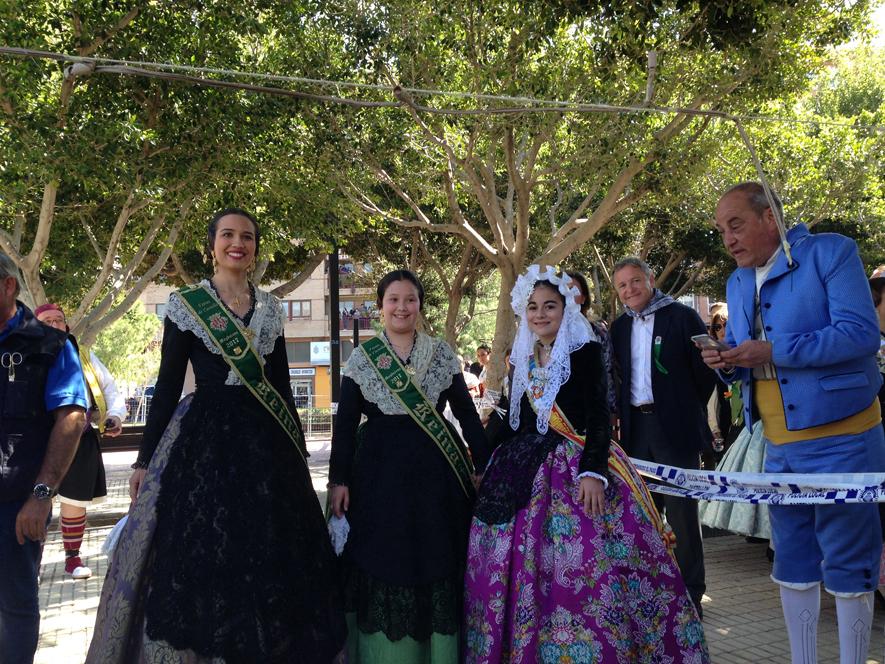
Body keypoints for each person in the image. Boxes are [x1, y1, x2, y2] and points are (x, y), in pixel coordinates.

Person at [86, 209, 345, 663]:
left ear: (255, 248)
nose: (237, 243)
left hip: (266, 444)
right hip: (203, 441)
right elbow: (167, 386)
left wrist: (297, 455)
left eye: (247, 236)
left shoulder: (270, 309)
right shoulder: (187, 305)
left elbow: (281, 386)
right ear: (212, 246)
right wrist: (144, 460)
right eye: (227, 235)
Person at [464, 265, 708, 663]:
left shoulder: (586, 351)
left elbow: (598, 416)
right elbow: (515, 419)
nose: (540, 314)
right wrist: (482, 460)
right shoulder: (522, 359)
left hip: (575, 464)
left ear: (566, 309)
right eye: (533, 307)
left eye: (550, 306)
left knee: (588, 563)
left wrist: (592, 470)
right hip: (525, 467)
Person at [703, 182, 885, 664]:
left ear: (771, 218)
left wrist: (773, 350)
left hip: (846, 438)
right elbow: (745, 352)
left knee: (849, 561)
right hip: (777, 445)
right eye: (721, 230)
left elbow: (860, 334)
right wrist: (727, 361)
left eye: (736, 225)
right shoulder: (737, 281)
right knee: (792, 560)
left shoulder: (832, 252)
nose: (728, 239)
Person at [329, 269, 490, 663]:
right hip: (376, 478)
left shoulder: (441, 353)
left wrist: (484, 465)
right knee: (380, 555)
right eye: (393, 300)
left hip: (436, 478)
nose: (402, 307)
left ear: (420, 305)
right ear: (380, 307)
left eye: (410, 300)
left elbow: (466, 414)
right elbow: (345, 425)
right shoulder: (363, 358)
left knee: (435, 554)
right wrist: (338, 480)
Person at [609, 256, 715, 616]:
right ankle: (652, 592)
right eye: (622, 285)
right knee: (643, 515)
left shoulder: (682, 317)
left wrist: (682, 408)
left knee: (683, 516)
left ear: (651, 279)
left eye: (635, 281)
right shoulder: (620, 326)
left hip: (675, 428)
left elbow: (705, 373)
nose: (630, 290)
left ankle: (691, 595)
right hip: (636, 431)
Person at [0, 253, 88, 664]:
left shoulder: (51, 346)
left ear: (8, 286)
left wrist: (41, 495)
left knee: (15, 607)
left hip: (16, 506)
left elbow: (71, 419)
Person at [34, 302, 126, 580]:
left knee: (74, 500)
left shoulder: (83, 355)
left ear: (66, 325)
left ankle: (72, 559)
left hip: (79, 438)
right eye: (47, 321)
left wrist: (114, 415)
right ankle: (32, 563)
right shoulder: (24, 355)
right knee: (36, 499)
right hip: (37, 440)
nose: (54, 325)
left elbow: (109, 388)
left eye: (58, 320)